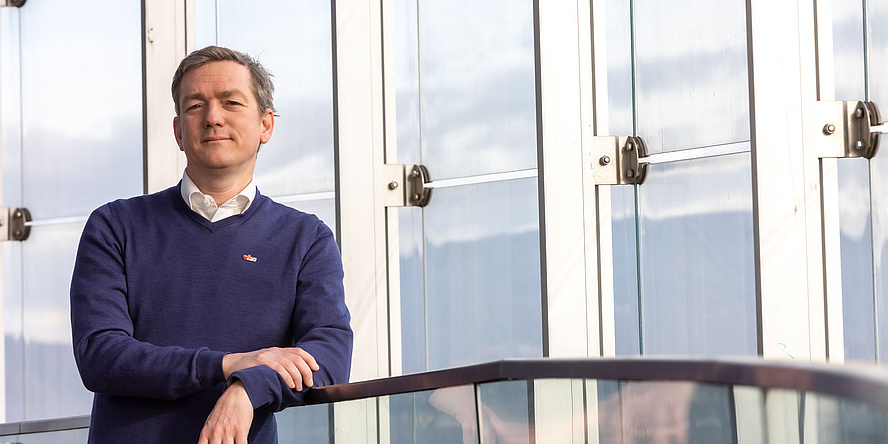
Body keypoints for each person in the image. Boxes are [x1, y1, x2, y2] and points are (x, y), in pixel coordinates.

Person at [70, 46, 353, 444]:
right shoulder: (116, 226)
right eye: (195, 105)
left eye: (231, 102)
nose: (213, 117)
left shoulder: (305, 238)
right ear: (177, 132)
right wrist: (224, 365)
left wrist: (248, 388)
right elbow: (100, 356)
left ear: (266, 125)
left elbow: (330, 356)